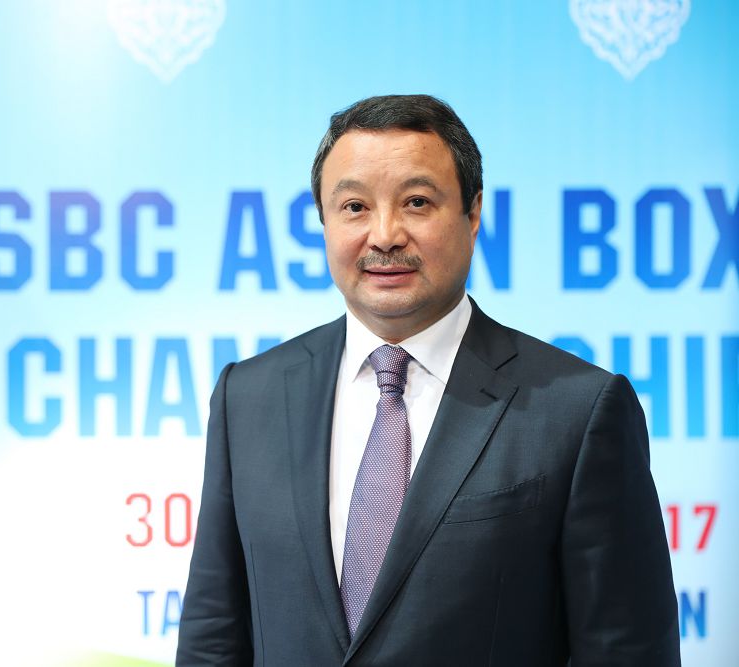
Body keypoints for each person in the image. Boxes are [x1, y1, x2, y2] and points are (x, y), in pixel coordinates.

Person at [176, 95, 680, 666]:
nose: (384, 235)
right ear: (324, 221)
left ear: (473, 214)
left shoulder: (576, 410)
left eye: (416, 202)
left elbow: (626, 651)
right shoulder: (248, 397)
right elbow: (213, 636)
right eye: (355, 207)